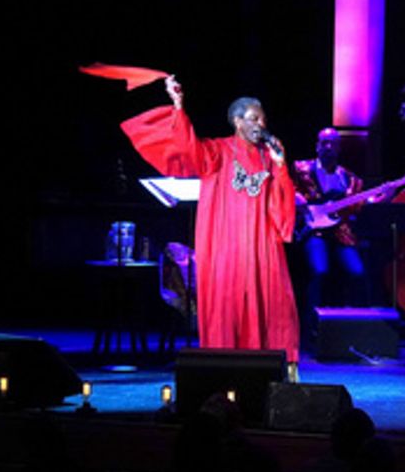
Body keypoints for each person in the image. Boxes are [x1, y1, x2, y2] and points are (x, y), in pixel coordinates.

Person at [120, 76, 300, 363]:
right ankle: (223, 368)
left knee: (271, 304)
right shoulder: (218, 151)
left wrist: (280, 167)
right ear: (237, 122)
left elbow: (281, 204)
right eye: (254, 119)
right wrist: (178, 106)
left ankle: (269, 366)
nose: (260, 126)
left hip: (260, 247)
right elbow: (188, 148)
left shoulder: (269, 158)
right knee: (227, 308)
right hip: (226, 245)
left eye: (263, 120)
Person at [293, 128, 369, 311]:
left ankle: (350, 322)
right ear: (317, 146)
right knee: (320, 271)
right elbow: (282, 188)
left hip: (339, 230)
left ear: (339, 148)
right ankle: (314, 325)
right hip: (313, 229)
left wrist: (383, 196)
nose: (328, 147)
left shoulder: (349, 179)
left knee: (358, 272)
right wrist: (293, 195)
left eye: (333, 143)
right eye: (324, 143)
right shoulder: (301, 169)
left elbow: (357, 207)